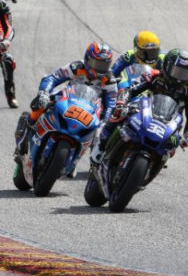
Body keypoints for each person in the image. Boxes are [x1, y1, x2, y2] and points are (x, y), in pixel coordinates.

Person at [16, 42, 120, 176]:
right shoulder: (76, 67)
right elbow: (52, 78)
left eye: (104, 66)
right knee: (40, 104)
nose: (100, 69)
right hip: (69, 99)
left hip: (91, 109)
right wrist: (44, 93)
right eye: (97, 64)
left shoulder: (110, 80)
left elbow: (112, 102)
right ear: (88, 59)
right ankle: (23, 138)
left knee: (101, 134)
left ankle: (90, 165)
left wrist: (106, 120)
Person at [90, 48, 188, 167]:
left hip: (170, 122)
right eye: (177, 71)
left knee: (173, 145)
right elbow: (131, 89)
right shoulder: (154, 75)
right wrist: (122, 102)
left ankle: (156, 164)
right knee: (119, 113)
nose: (179, 77)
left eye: (184, 73)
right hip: (147, 110)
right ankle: (101, 145)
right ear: (167, 66)